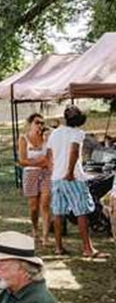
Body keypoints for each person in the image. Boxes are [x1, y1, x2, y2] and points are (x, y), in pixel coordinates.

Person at [46, 105, 103, 258]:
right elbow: (73, 152)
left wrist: (54, 171)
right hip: (72, 177)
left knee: (58, 213)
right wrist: (70, 172)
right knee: (81, 212)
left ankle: (58, 247)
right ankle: (88, 249)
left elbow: (49, 154)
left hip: (57, 178)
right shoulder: (78, 133)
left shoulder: (55, 133)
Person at [17, 113, 51, 243]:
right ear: (30, 124)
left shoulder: (46, 138)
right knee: (34, 207)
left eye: (42, 123)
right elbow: (22, 161)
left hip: (46, 174)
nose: (40, 125)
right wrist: (39, 162)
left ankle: (46, 237)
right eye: (37, 122)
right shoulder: (23, 139)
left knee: (45, 204)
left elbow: (48, 160)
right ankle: (35, 229)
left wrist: (34, 161)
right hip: (30, 174)